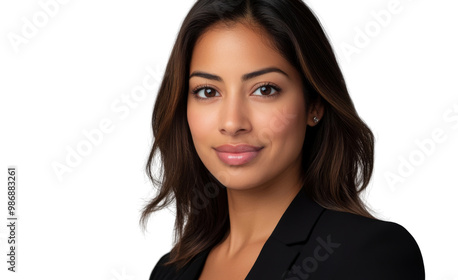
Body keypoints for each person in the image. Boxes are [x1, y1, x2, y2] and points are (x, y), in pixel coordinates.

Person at [142, 0, 425, 279]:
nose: (232, 123)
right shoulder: (170, 271)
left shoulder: (368, 255)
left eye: (265, 89)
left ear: (314, 104)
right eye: (207, 91)